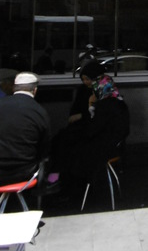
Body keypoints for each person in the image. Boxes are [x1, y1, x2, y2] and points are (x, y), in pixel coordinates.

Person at [50, 59, 130, 188]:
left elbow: (95, 127)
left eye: (88, 79)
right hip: (100, 139)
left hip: (101, 144)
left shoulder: (107, 103)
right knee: (65, 141)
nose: (87, 83)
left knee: (69, 147)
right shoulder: (112, 100)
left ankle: (61, 181)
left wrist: (90, 106)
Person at [0, 72, 51, 185]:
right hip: (23, 173)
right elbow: (44, 147)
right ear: (35, 90)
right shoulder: (39, 111)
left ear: (14, 88)